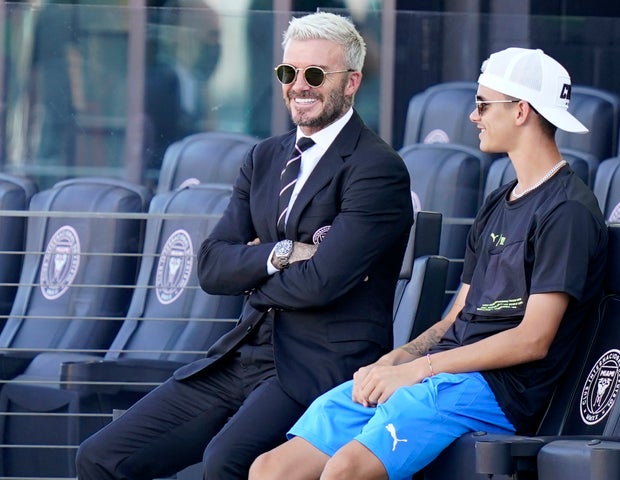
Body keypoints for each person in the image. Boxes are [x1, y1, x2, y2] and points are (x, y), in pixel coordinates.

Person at [75, 11, 413, 480]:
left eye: (315, 74)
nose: (299, 86)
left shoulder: (377, 168)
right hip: (242, 354)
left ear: (352, 82)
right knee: (99, 457)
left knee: (225, 463)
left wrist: (250, 275)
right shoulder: (264, 156)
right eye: (287, 73)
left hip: (319, 367)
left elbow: (322, 283)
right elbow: (212, 267)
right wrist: (281, 254)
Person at [248, 47, 609, 480]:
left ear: (521, 111)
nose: (474, 116)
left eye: (482, 104)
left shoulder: (567, 211)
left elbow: (533, 340)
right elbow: (458, 315)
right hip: (441, 375)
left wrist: (420, 370)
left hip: (495, 391)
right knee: (272, 469)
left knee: (345, 470)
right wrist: (397, 360)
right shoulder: (499, 201)